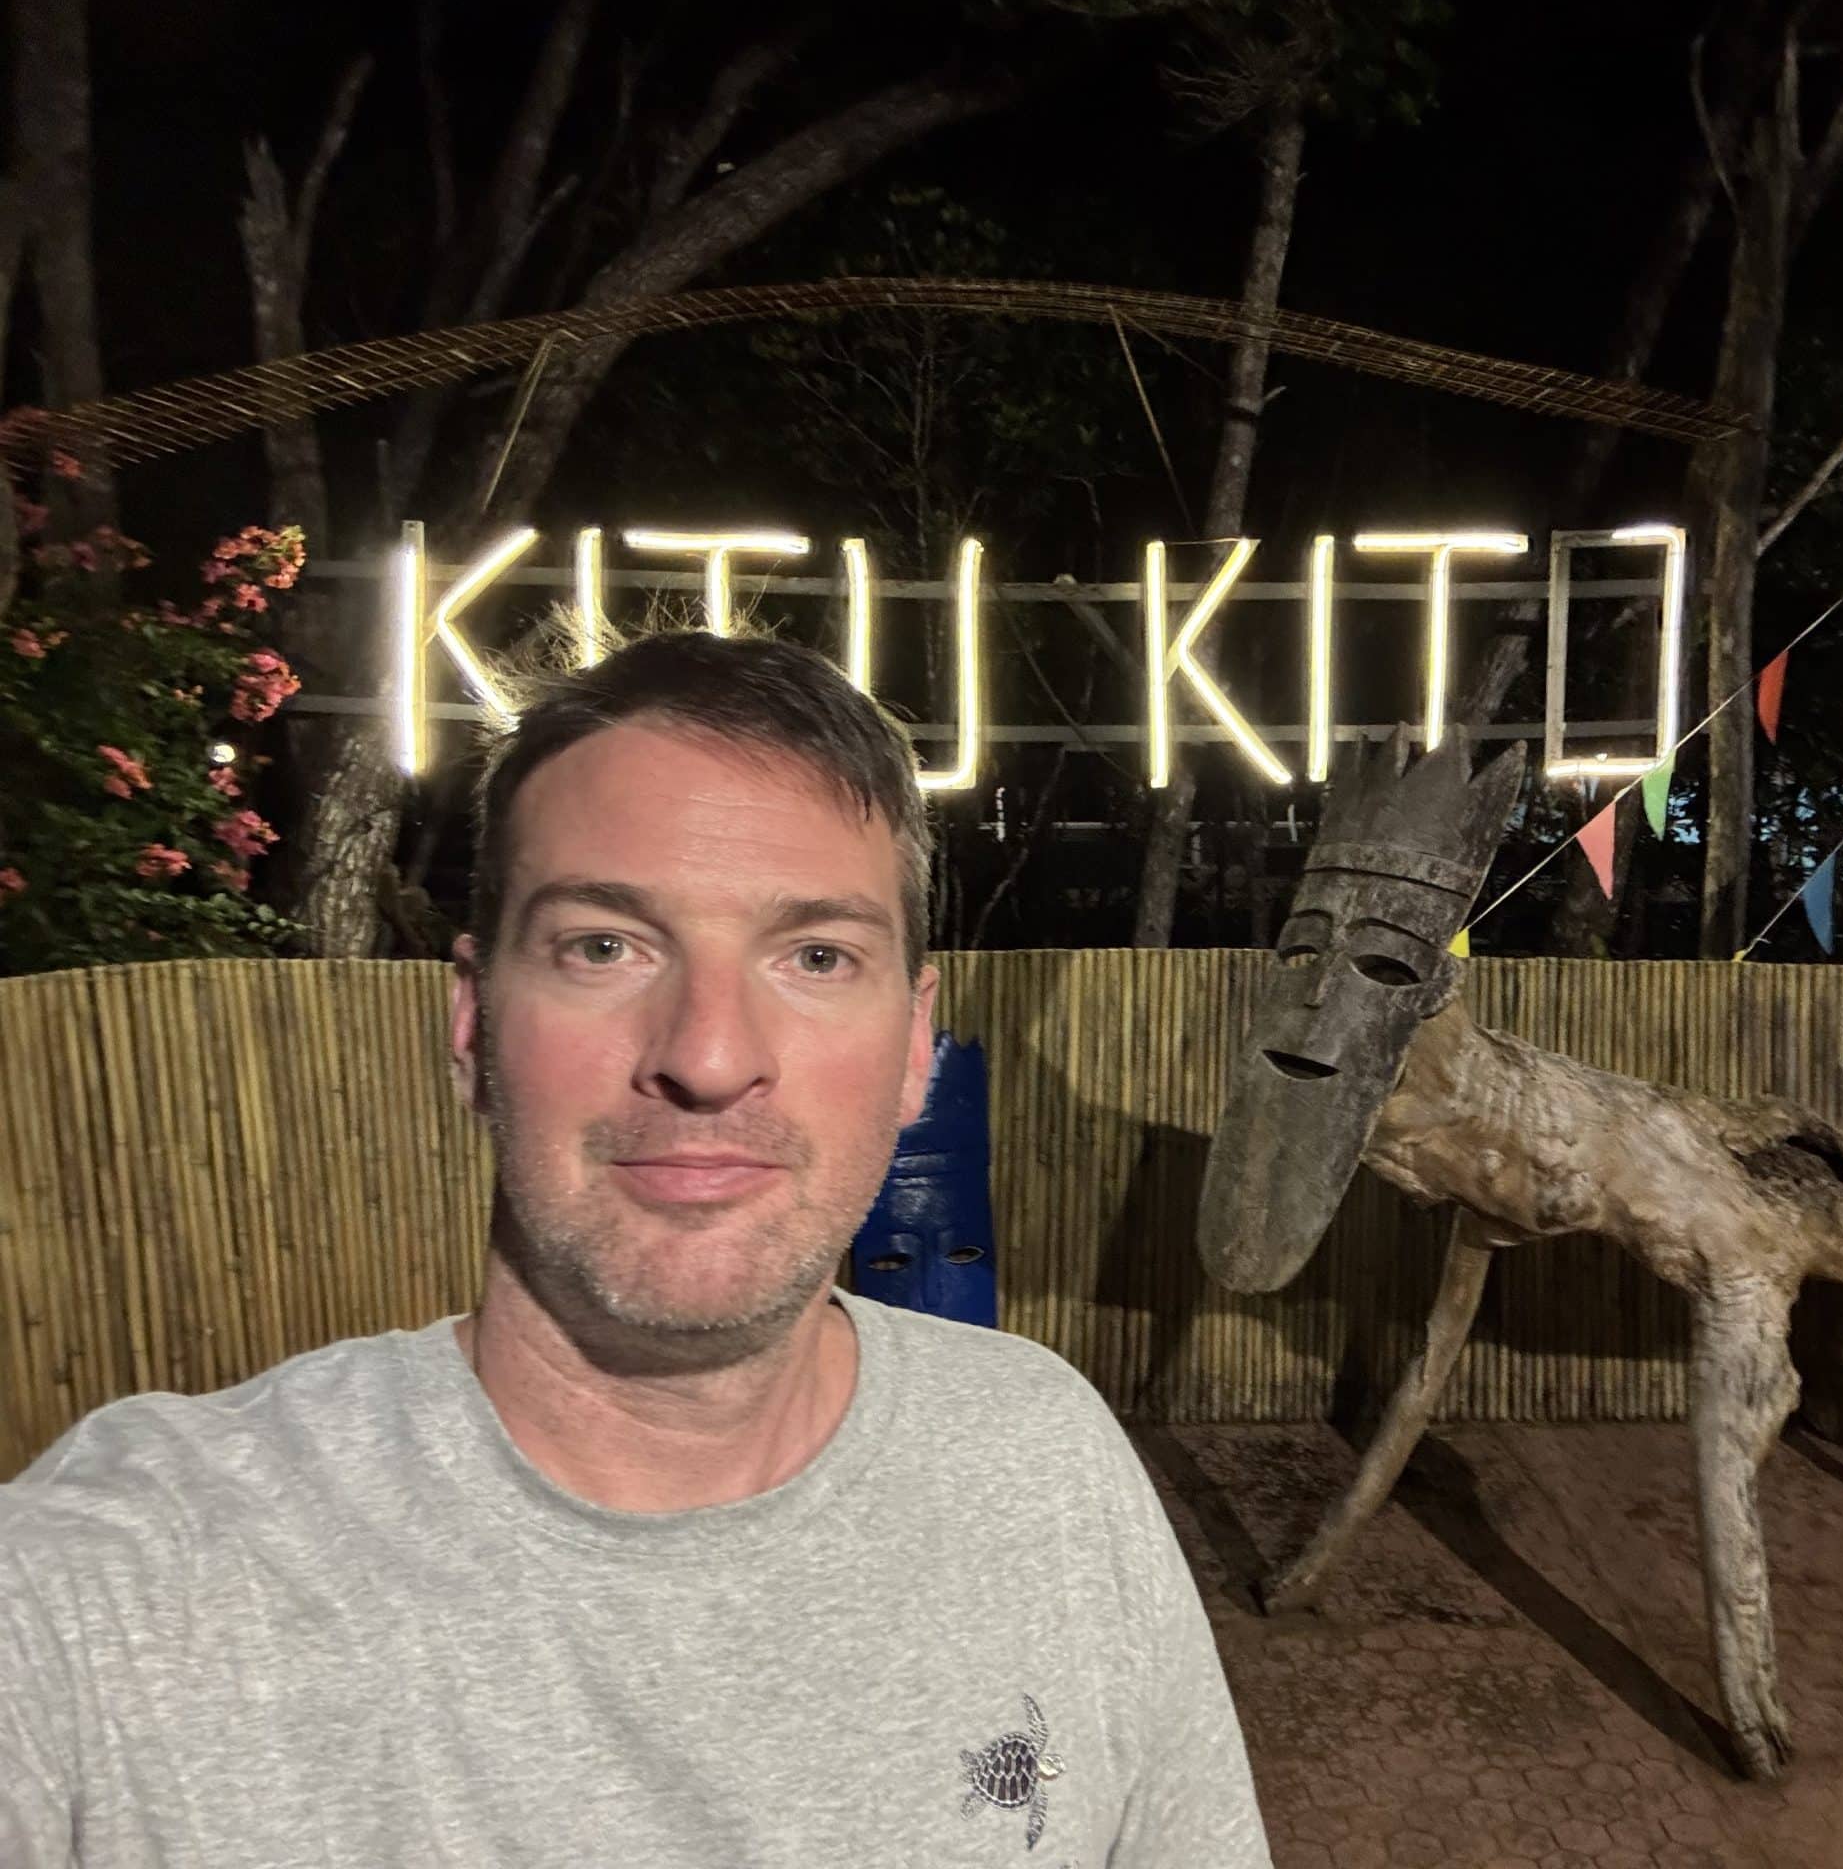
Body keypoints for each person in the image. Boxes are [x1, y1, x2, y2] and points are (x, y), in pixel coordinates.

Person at [0, 629, 1272, 1867]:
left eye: (817, 955)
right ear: (471, 1028)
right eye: (604, 946)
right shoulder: (117, 1590)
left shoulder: (1044, 1461)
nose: (710, 1056)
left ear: (914, 1051)